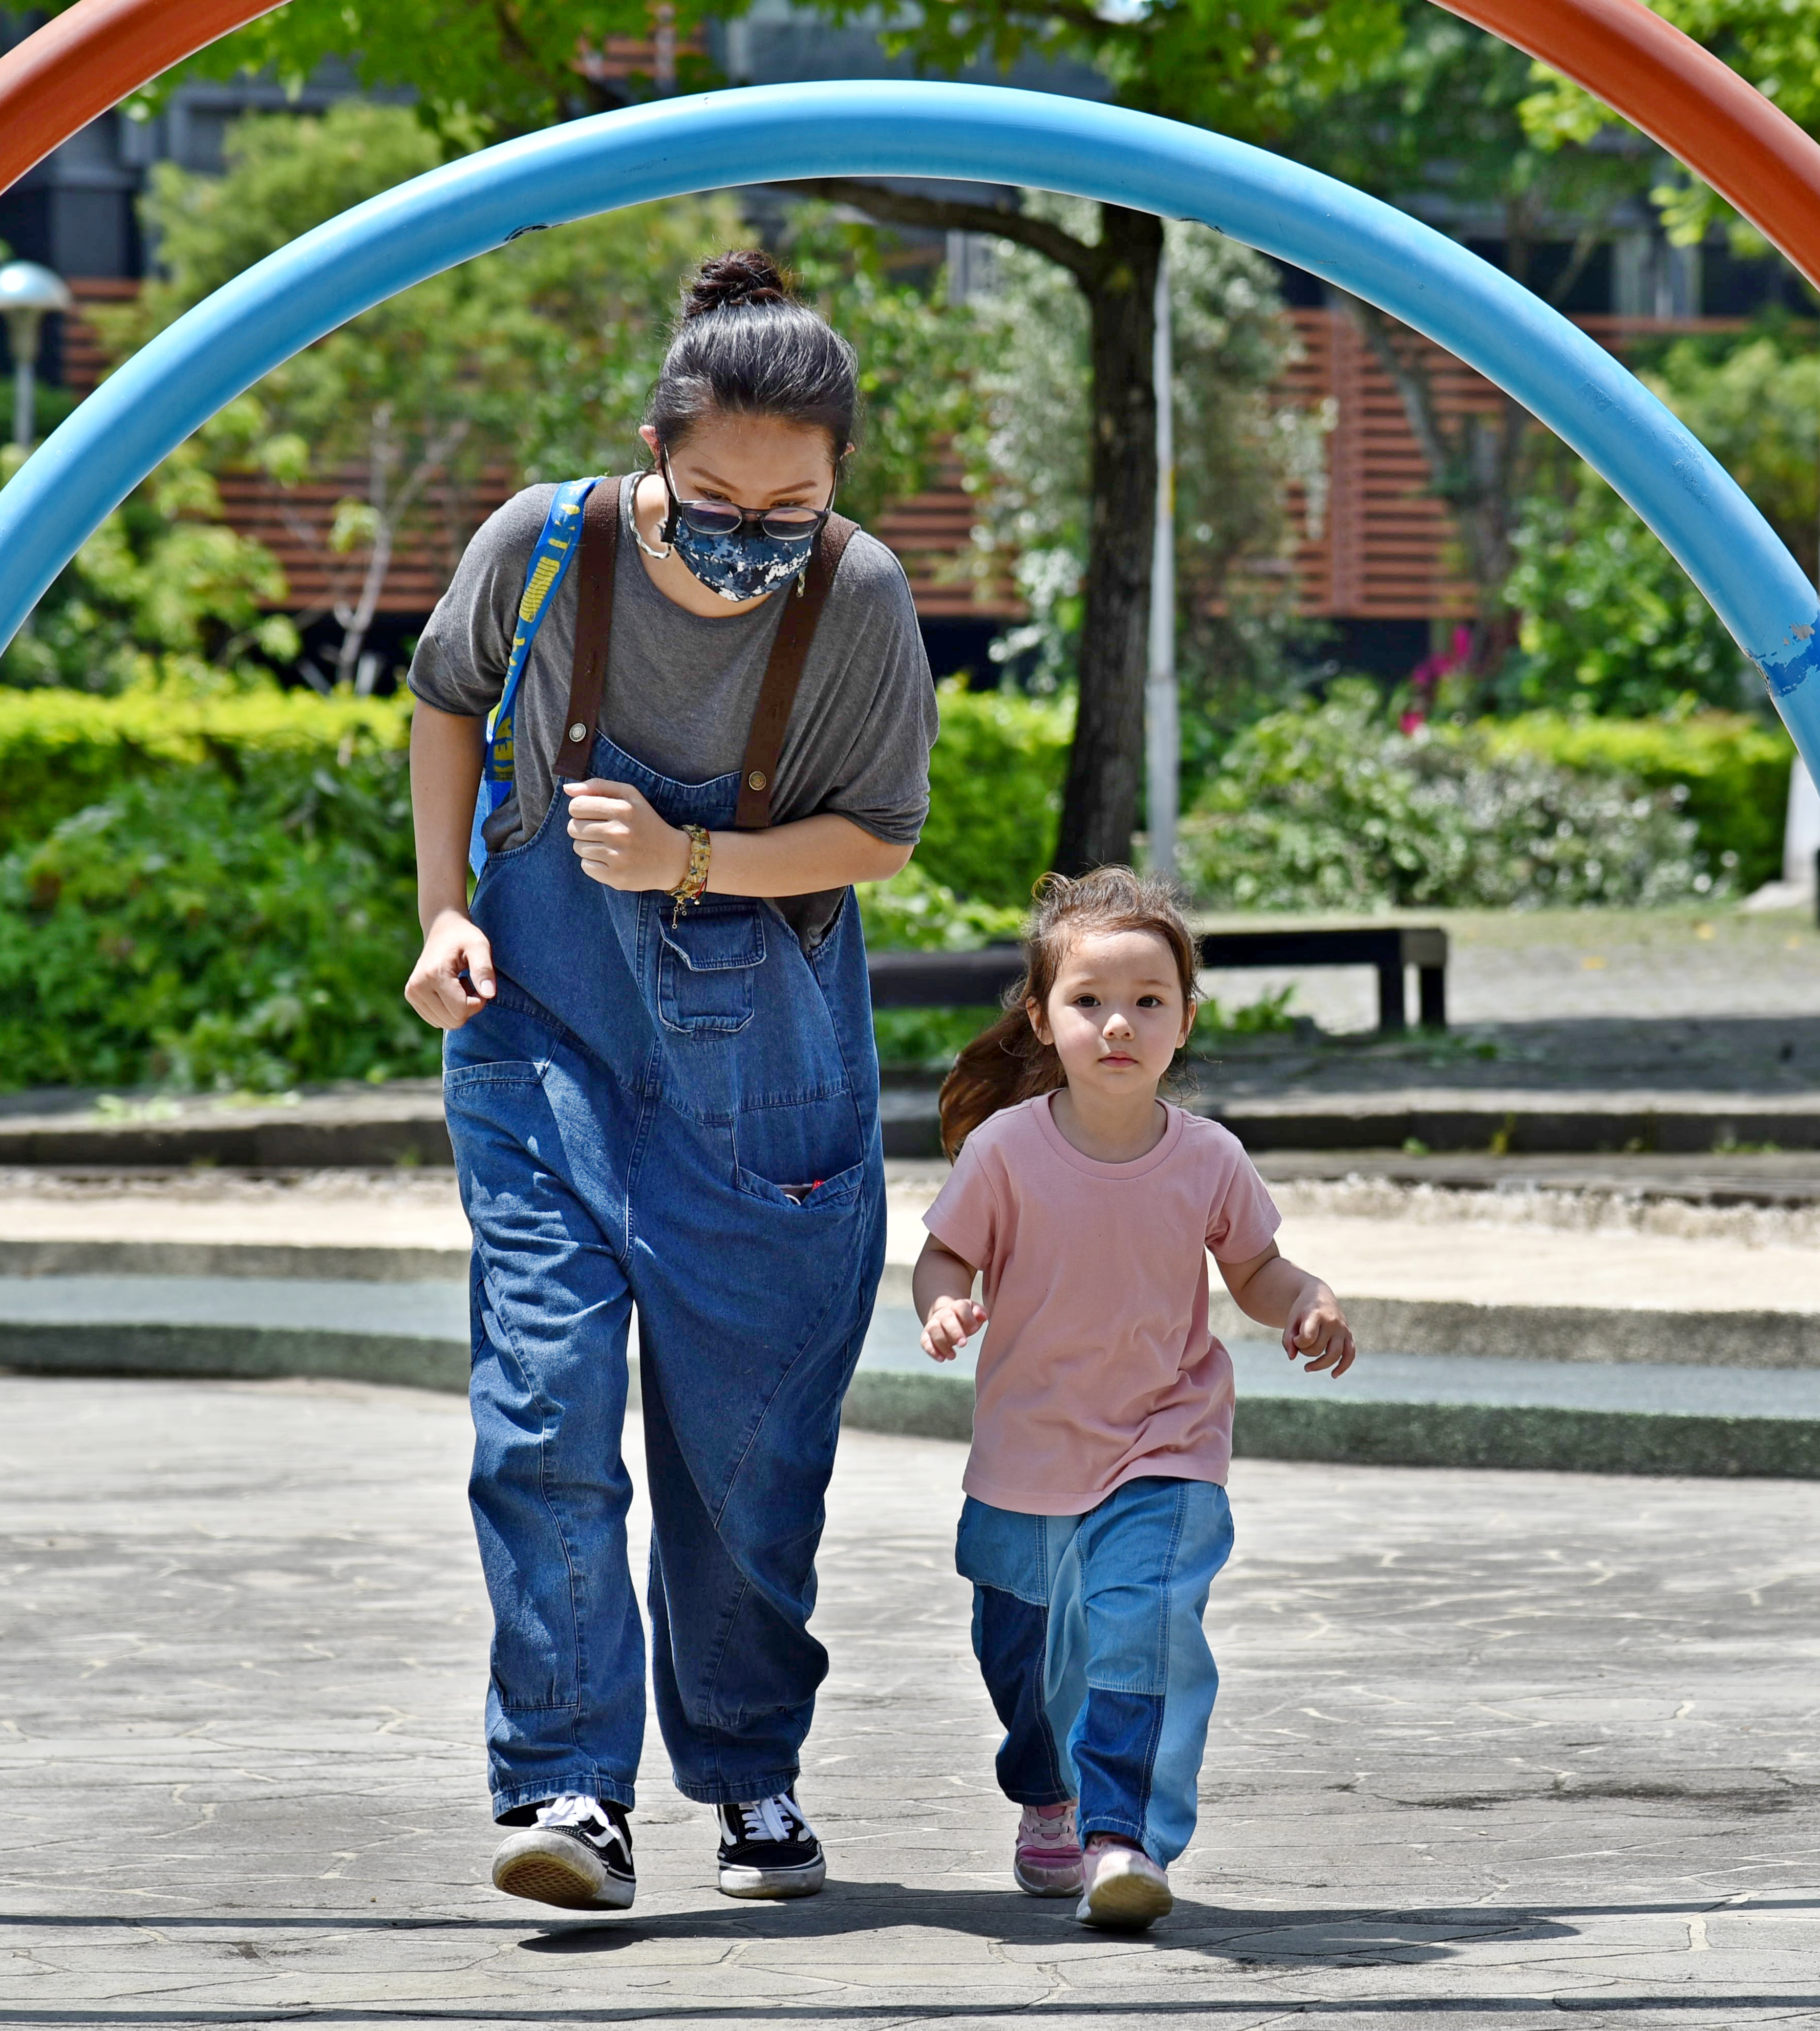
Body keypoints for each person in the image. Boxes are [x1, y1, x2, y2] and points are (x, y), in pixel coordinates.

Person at [400, 249, 937, 1912]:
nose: (743, 539)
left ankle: (750, 1771)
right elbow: (444, 699)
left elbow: (881, 840)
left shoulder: (854, 602)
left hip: (762, 1080)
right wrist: (437, 909)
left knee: (745, 1462)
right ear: (653, 452)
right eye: (709, 495)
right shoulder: (539, 547)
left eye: (786, 509)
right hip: (537, 1040)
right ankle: (567, 1782)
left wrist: (697, 850)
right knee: (543, 1415)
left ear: (835, 486)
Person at [911, 869, 1356, 1931]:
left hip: (1164, 1444)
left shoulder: (1209, 1158)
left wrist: (1308, 1300)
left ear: (1186, 1020)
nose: (1119, 1023)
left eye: (1149, 1001)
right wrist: (943, 1308)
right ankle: (1047, 1794)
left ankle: (1123, 1838)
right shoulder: (1003, 1151)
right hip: (1024, 1460)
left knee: (1140, 1628)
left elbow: (1257, 1270)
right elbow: (941, 1256)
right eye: (1089, 1001)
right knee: (1022, 1671)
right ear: (1040, 1016)